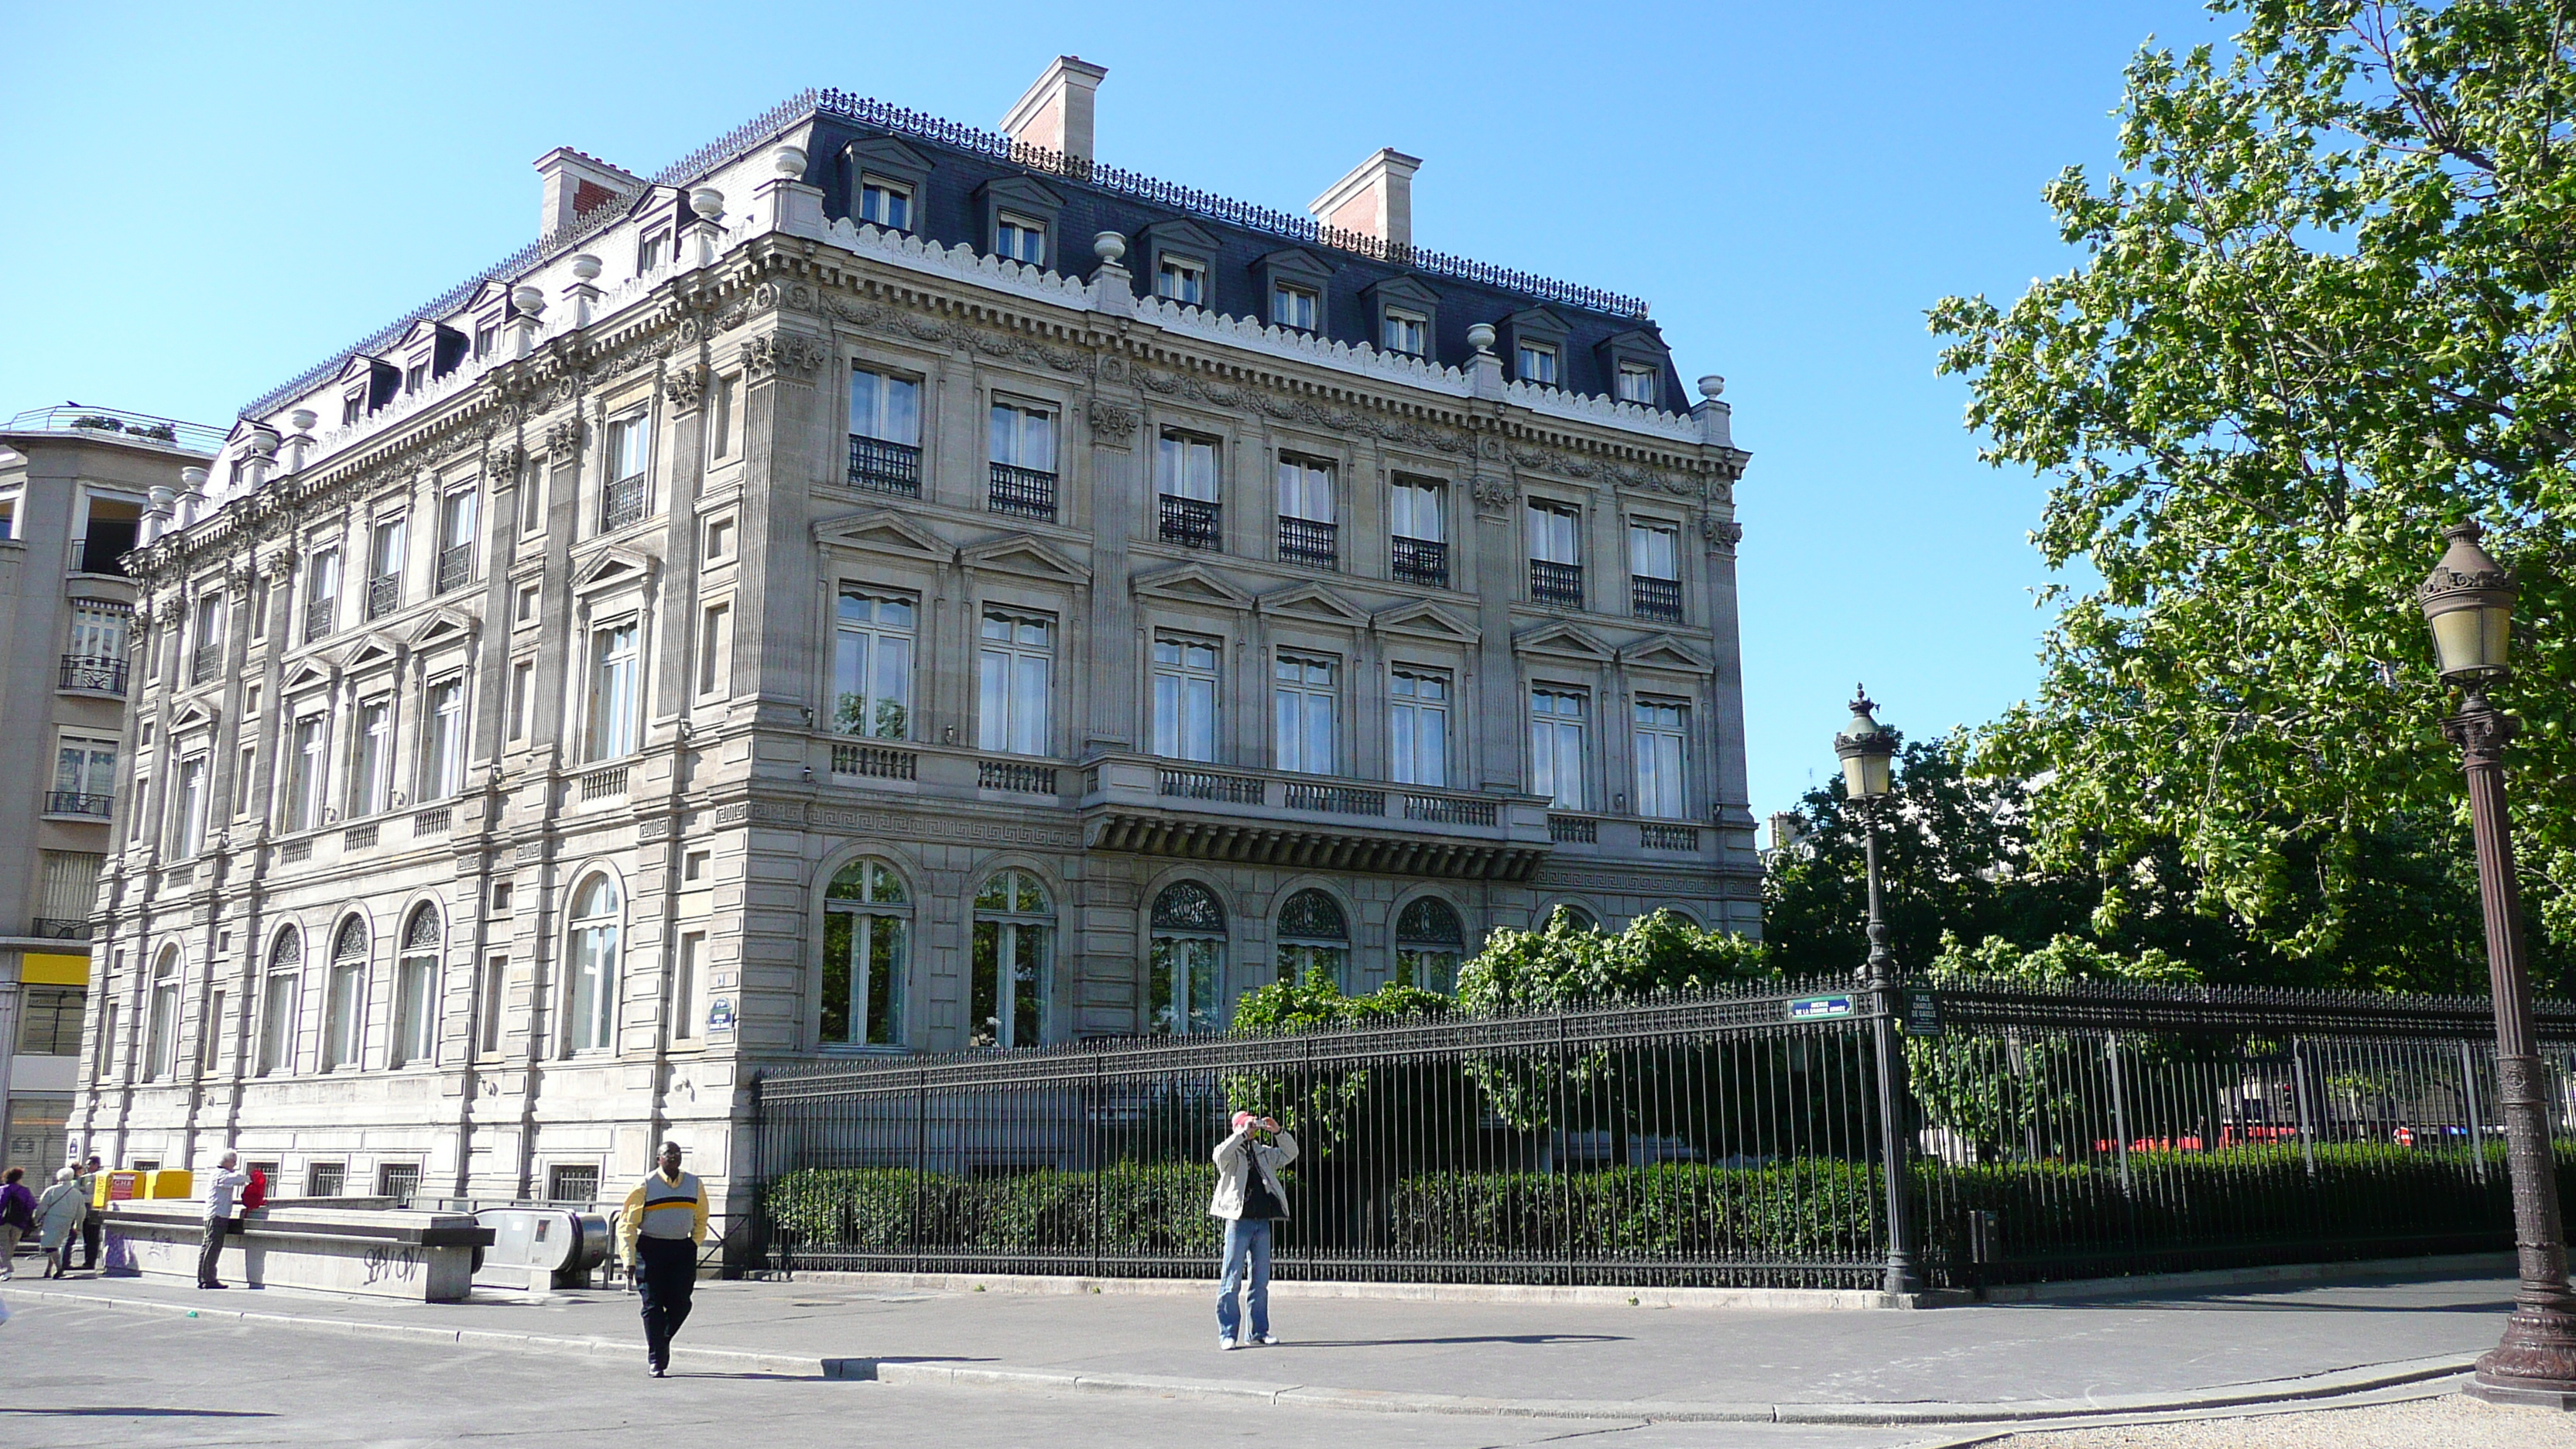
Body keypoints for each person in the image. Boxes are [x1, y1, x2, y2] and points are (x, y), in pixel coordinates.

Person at [1209, 1110, 1297, 1351]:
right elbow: (1219, 1155)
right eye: (1249, 1123)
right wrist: (1240, 1134)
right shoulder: (1231, 1151)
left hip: (1261, 1221)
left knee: (1260, 1280)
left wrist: (1278, 1132)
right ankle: (1227, 1333)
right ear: (1238, 1126)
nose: (1253, 1127)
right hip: (1239, 1221)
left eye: (1254, 1123)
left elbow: (1291, 1153)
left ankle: (1258, 1332)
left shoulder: (1262, 1152)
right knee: (1232, 1278)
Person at [618, 1140, 707, 1377]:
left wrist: (693, 1243)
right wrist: (629, 1259)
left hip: (681, 1250)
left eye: (677, 1153)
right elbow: (627, 1224)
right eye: (668, 1154)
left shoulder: (694, 1183)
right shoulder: (645, 1185)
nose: (674, 1157)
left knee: (682, 1304)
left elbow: (701, 1217)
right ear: (658, 1158)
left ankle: (662, 1341)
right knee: (653, 1305)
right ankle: (656, 1359)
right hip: (650, 1249)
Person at [197, 1151, 248, 1290]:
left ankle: (204, 1278)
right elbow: (234, 1179)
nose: (235, 1164)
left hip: (214, 1215)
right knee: (213, 1247)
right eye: (233, 1161)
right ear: (226, 1162)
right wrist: (250, 1178)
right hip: (217, 1216)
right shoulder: (220, 1174)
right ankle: (208, 1279)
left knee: (208, 1246)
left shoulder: (219, 1174)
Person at [36, 1169, 83, 1279]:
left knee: (50, 1246)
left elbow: (42, 1207)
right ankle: (48, 1269)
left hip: (51, 1221)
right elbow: (81, 1211)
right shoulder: (77, 1193)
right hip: (67, 1222)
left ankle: (59, 1268)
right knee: (57, 1246)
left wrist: (36, 1219)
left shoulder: (51, 1190)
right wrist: (78, 1225)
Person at [0, 1167, 33, 1279]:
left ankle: (6, 1268)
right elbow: (31, 1206)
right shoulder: (25, 1191)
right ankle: (6, 1268)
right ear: (18, 1179)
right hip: (19, 1223)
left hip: (3, 1222)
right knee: (11, 1245)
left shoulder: (3, 1189)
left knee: (3, 1246)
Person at [73, 1156, 102, 1273]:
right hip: (85, 1210)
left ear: (96, 1165)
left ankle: (90, 1262)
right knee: (87, 1236)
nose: (87, 1167)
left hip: (94, 1211)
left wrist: (82, 1197)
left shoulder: (100, 1177)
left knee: (92, 1237)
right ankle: (88, 1261)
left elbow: (96, 1196)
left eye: (89, 1164)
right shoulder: (84, 1178)